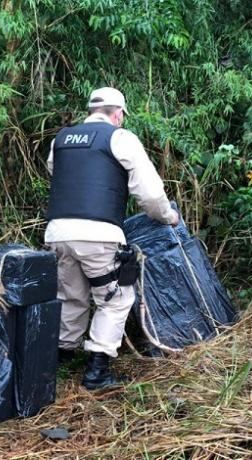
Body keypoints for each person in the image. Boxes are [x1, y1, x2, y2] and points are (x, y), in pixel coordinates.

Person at [45, 87, 179, 390]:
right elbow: (151, 195)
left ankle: (61, 356)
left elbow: (57, 172)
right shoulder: (121, 138)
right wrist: (169, 217)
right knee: (116, 298)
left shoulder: (61, 139)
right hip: (99, 234)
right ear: (117, 113)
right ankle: (97, 371)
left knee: (71, 293)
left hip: (57, 233)